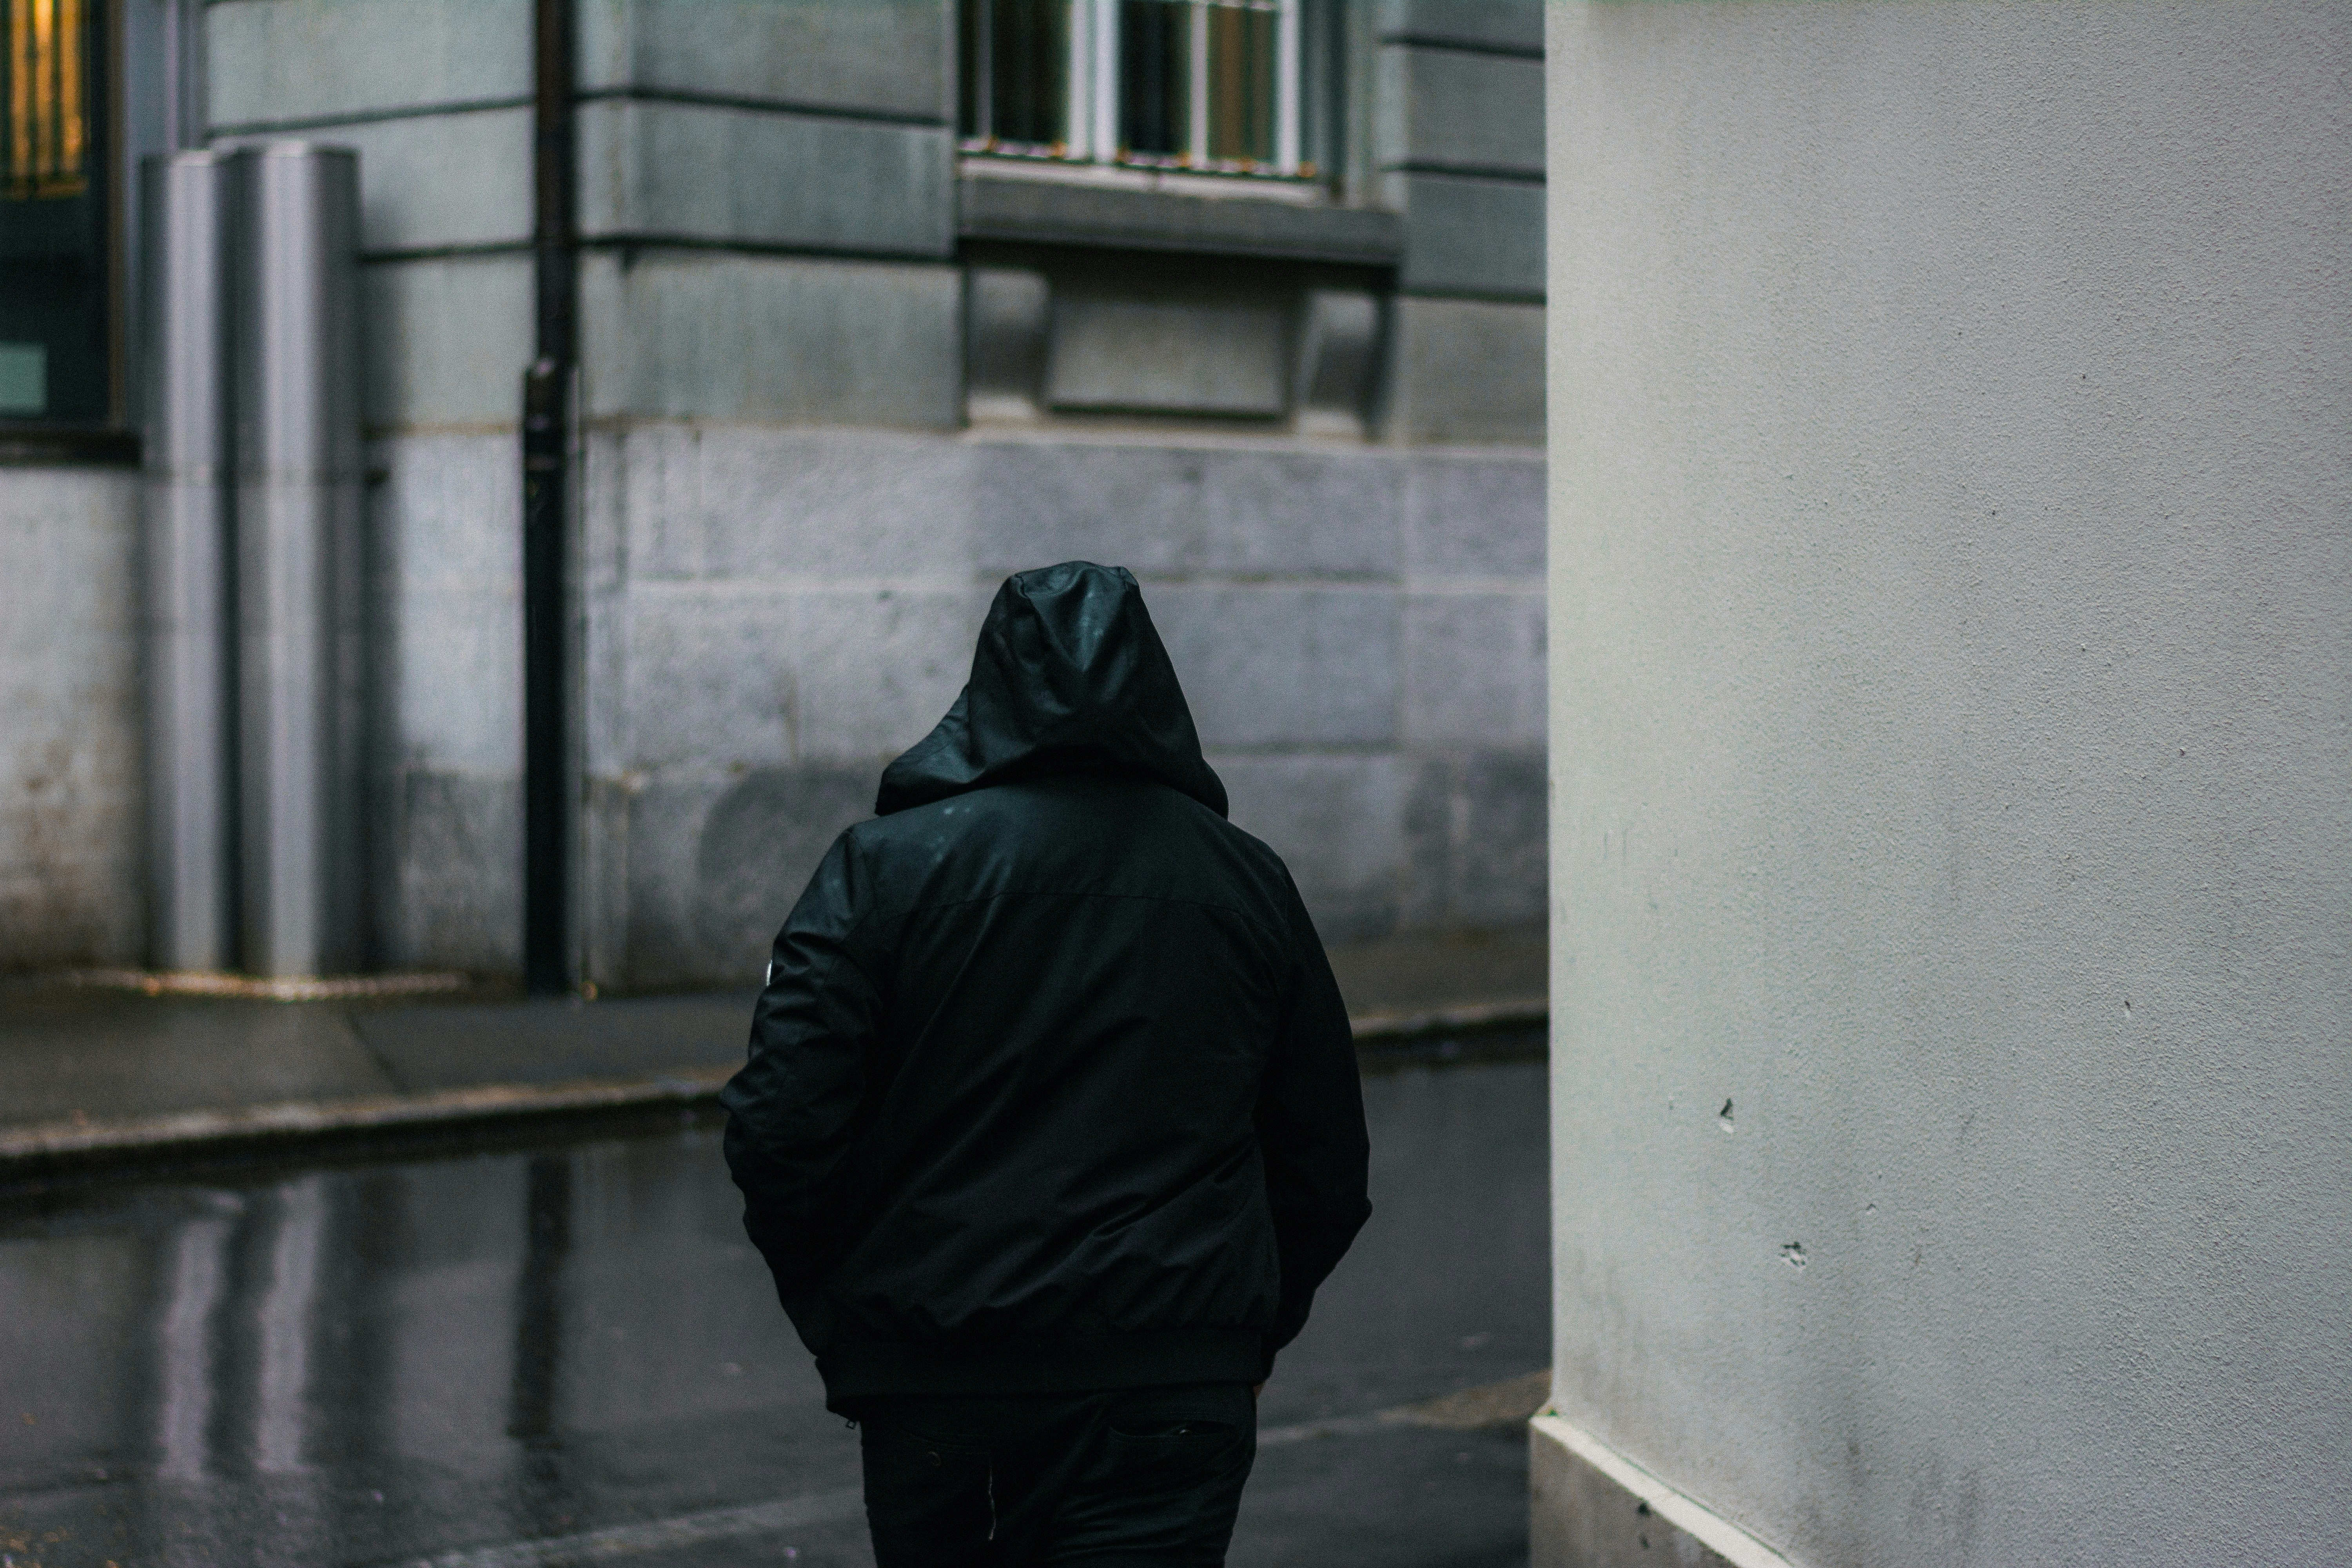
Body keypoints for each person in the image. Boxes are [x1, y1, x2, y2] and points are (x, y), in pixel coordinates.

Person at [720, 561, 1372, 1566]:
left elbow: (779, 1126)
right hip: (1171, 1378)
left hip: (937, 1375)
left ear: (988, 690)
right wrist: (1242, 1336)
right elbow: (1324, 1156)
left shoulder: (883, 868)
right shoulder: (1247, 881)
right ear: (1155, 690)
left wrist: (850, 1317)